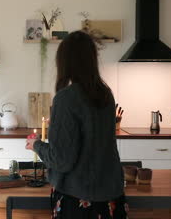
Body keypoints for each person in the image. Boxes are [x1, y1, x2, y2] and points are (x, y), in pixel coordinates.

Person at [26, 31, 126, 219]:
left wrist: (36, 145)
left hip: (79, 202)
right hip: (111, 198)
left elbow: (61, 160)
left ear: (64, 62)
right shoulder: (106, 94)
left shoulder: (66, 98)